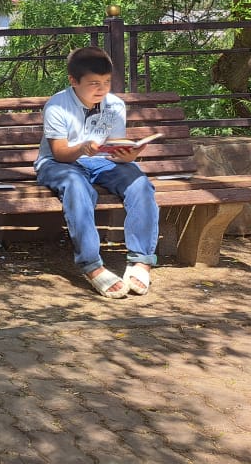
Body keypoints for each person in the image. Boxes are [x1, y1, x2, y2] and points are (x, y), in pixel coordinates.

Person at [35, 46, 159, 299]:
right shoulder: (57, 106)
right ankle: (92, 266)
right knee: (77, 187)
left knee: (139, 183)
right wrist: (82, 147)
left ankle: (142, 261)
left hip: (101, 161)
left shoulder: (115, 105)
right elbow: (59, 153)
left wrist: (129, 155)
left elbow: (115, 146)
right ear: (73, 81)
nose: (102, 89)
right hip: (58, 164)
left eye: (106, 82)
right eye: (94, 83)